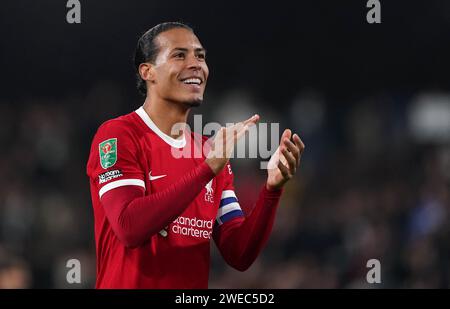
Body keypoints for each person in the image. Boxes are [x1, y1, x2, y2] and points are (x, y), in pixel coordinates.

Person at [86, 22, 305, 288]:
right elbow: (129, 227)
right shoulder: (120, 134)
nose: (196, 64)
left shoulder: (210, 152)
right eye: (180, 55)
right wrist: (206, 170)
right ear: (148, 71)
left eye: (200, 56)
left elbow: (239, 253)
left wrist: (272, 189)